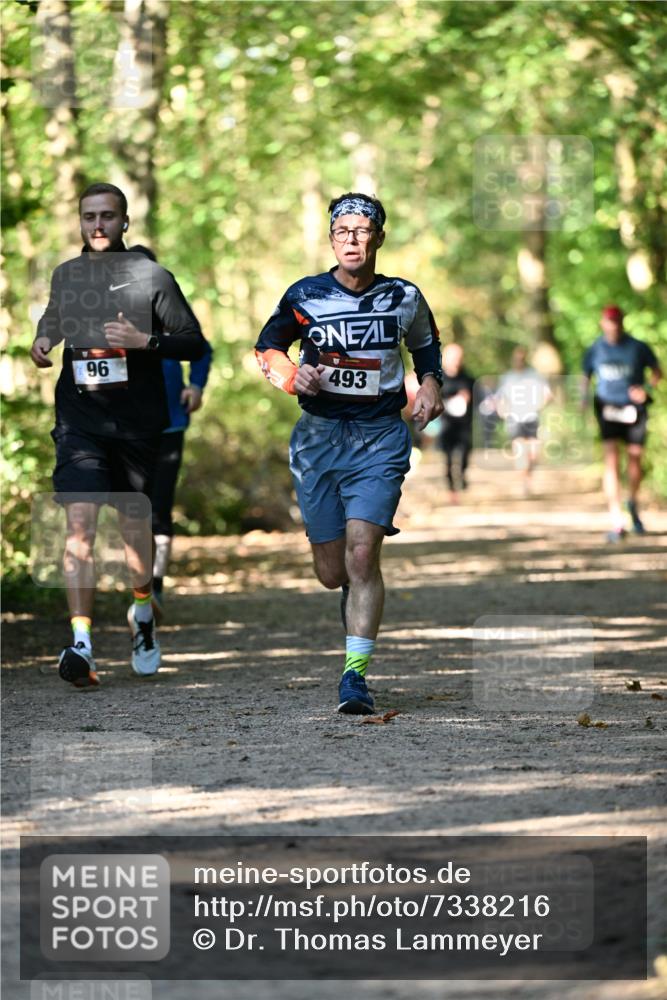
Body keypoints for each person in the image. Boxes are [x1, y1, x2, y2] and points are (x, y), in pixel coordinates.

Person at [255, 192, 443, 714]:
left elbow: (426, 345)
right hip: (318, 439)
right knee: (332, 572)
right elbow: (266, 348)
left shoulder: (403, 295)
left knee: (364, 553)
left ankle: (354, 677)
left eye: (362, 231)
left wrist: (429, 383)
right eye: (342, 232)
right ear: (332, 239)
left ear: (379, 237)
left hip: (380, 435)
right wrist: (295, 376)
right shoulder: (305, 294)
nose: (352, 240)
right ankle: (349, 596)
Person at [31, 182, 206, 687]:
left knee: (134, 533)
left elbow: (194, 343)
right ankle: (81, 643)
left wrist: (145, 341)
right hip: (79, 423)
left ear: (125, 222)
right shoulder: (67, 275)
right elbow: (55, 317)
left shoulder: (152, 276)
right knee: (80, 528)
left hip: (136, 426)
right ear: (80, 223)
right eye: (90, 217)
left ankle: (143, 614)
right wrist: (44, 340)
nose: (99, 225)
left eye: (108, 216)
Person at [129, 245, 214, 611]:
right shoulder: (115, 315)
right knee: (133, 508)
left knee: (160, 508)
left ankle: (156, 586)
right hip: (127, 431)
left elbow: (203, 348)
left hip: (170, 425)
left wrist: (195, 385)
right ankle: (138, 585)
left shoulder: (170, 311)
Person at [582, 304, 662, 542]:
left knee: (635, 458)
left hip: (635, 409)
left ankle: (633, 501)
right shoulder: (595, 349)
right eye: (609, 321)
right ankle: (617, 519)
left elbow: (658, 372)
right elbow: (585, 378)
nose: (613, 325)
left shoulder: (638, 347)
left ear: (622, 322)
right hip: (607, 407)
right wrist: (583, 401)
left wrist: (646, 389)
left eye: (617, 321)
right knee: (611, 460)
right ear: (602, 323)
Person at [495, 346, 552, 496]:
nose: (519, 361)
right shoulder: (507, 377)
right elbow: (500, 398)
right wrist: (502, 410)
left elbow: (547, 394)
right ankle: (524, 484)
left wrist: (540, 404)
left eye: (522, 358)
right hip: (514, 418)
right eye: (516, 358)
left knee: (533, 453)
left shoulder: (535, 375)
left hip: (532, 417)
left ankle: (528, 477)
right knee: (520, 452)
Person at [438, 343, 475, 503]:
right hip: (446, 424)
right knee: (448, 457)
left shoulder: (468, 377)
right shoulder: (438, 378)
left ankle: (463, 475)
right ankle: (452, 489)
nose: (456, 361)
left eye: (458, 357)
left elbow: (478, 398)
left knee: (465, 453)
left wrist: (468, 397)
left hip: (465, 424)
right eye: (453, 357)